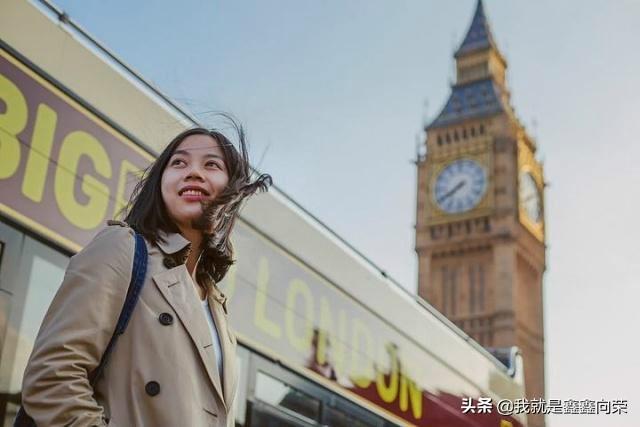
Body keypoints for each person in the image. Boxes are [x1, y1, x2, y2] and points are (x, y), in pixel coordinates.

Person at [20, 123, 271, 426]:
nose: (193, 172)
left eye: (211, 165)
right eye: (179, 162)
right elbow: (52, 377)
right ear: (160, 183)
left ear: (231, 190)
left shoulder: (217, 306)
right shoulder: (122, 247)